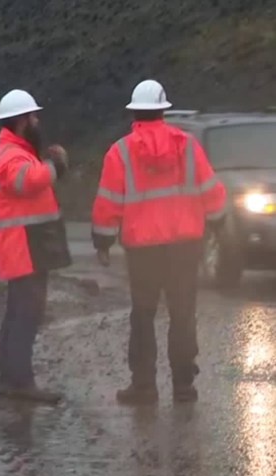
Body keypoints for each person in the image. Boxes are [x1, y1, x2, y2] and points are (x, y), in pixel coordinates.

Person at [92, 79, 226, 405]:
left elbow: (108, 201)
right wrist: (219, 222)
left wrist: (103, 241)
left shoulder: (120, 152)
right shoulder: (188, 146)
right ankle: (183, 387)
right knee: (182, 313)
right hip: (185, 245)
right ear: (164, 110)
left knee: (143, 314)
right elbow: (212, 191)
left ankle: (144, 387)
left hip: (142, 249)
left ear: (134, 112)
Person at [0, 89, 72, 404]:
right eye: (33, 116)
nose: (37, 121)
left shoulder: (15, 150)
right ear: (22, 120)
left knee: (18, 314)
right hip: (25, 247)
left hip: (26, 246)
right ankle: (19, 381)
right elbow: (27, 182)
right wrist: (56, 165)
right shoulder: (11, 155)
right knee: (26, 315)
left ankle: (12, 379)